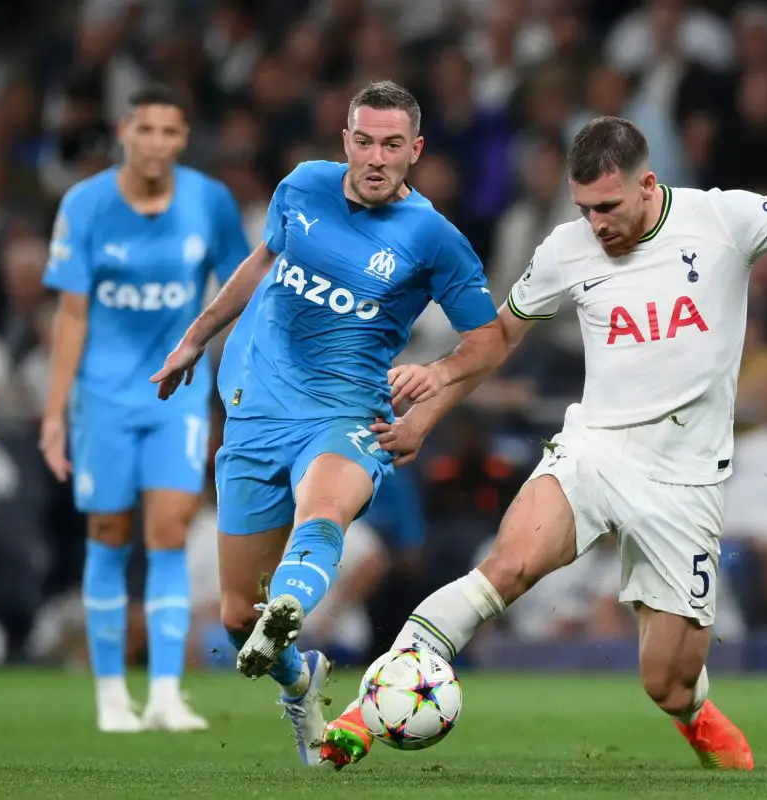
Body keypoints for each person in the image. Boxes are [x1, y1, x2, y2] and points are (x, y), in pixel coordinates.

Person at [318, 115, 767, 771]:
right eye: (585, 209)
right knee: (506, 568)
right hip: (596, 450)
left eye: (608, 207)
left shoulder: (721, 219)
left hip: (685, 481)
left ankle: (693, 710)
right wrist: (431, 404)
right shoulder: (567, 248)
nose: (597, 224)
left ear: (647, 184)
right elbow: (498, 336)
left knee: (664, 681)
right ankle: (368, 708)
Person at [149, 80, 501, 765]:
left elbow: (487, 341)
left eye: (392, 145)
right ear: (345, 141)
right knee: (233, 615)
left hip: (346, 413)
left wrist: (434, 390)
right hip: (253, 412)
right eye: (364, 141)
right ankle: (298, 679)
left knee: (326, 507)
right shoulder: (304, 186)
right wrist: (196, 336)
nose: (375, 157)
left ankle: (287, 613)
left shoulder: (433, 238)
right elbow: (262, 261)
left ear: (415, 151)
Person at [40, 85, 251, 733]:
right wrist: (54, 414)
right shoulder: (86, 204)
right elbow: (72, 314)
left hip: (177, 396)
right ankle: (110, 693)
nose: (159, 142)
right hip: (102, 396)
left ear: (184, 139)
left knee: (167, 532)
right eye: (147, 129)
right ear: (123, 132)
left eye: (172, 131)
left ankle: (163, 692)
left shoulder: (209, 201)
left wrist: (237, 385)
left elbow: (242, 288)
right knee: (108, 533)